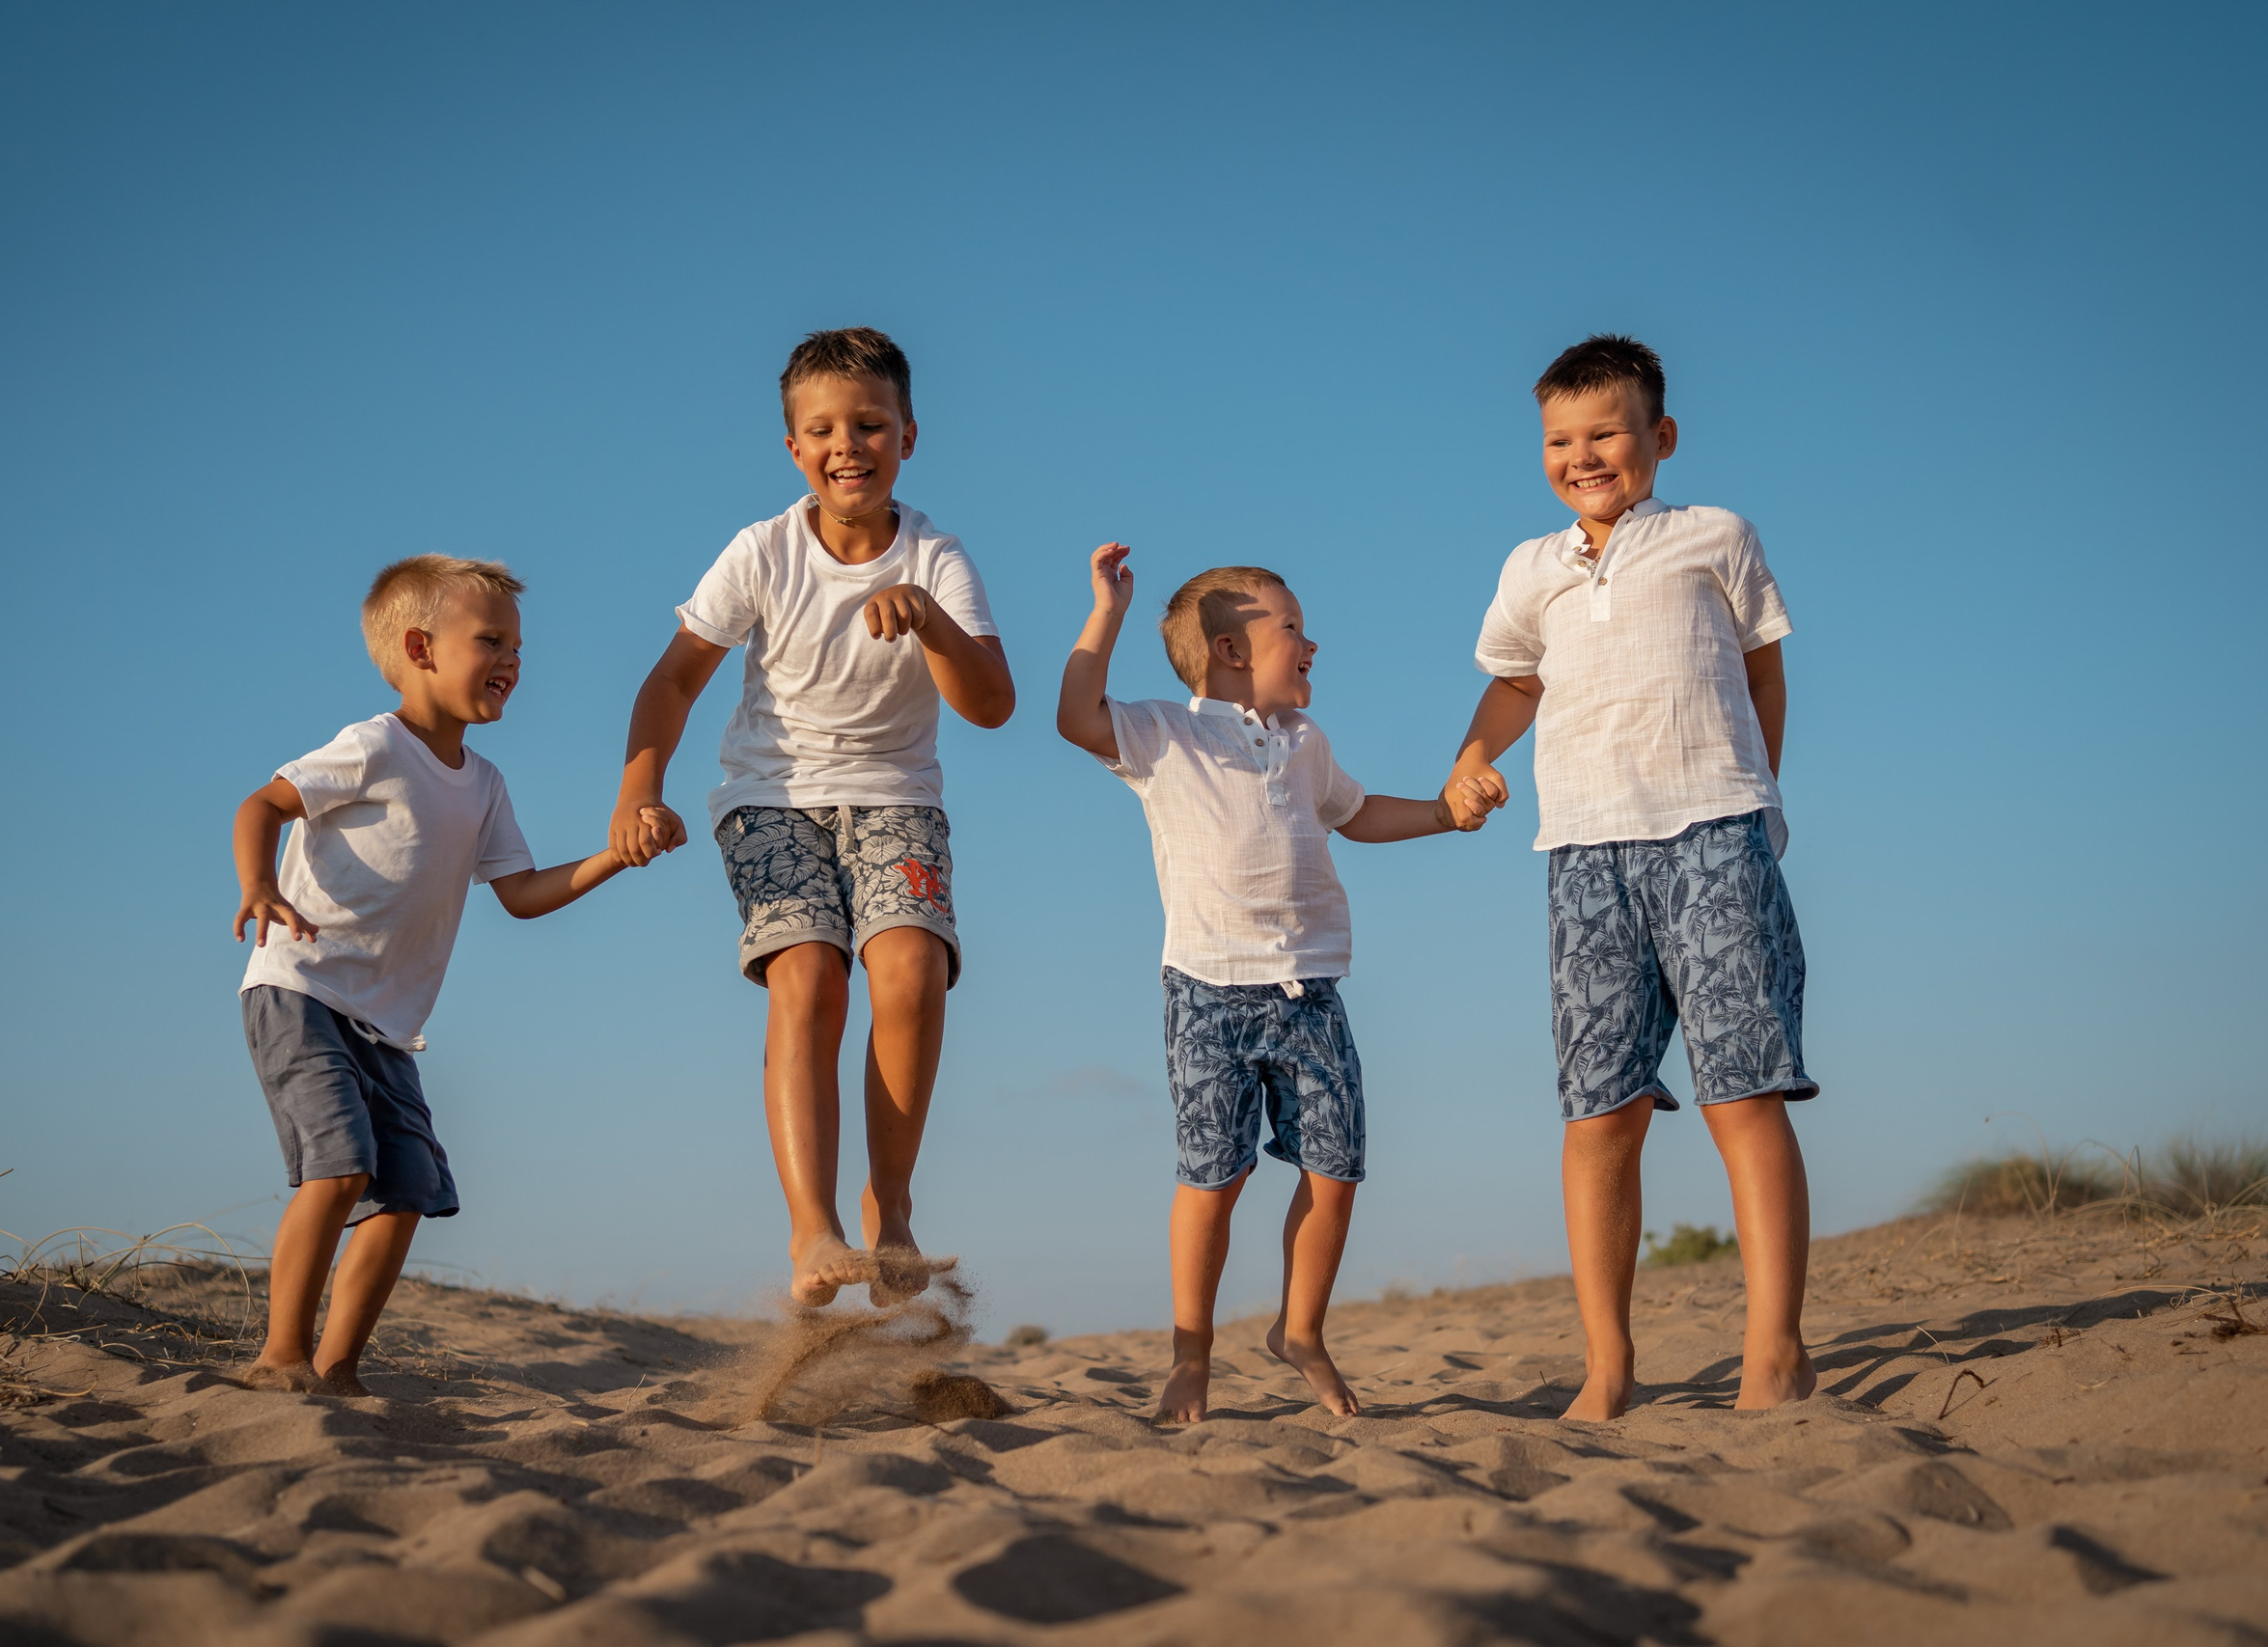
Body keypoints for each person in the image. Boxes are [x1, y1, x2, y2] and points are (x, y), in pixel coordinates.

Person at [1446, 334, 1820, 1419]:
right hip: (1581, 852)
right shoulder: (1530, 568)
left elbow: (1763, 673)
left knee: (1741, 1091)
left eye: (1605, 432)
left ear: (1661, 436)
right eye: (1559, 440)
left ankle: (1774, 1351)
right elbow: (1516, 684)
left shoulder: (1714, 536)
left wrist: (1753, 797)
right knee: (1599, 1109)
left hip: (1711, 832)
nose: (1582, 455)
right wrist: (1470, 759)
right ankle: (1608, 1364)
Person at [607, 328, 1014, 1307]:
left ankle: (891, 1205)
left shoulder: (936, 557)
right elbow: (673, 679)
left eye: (869, 424)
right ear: (793, 448)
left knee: (911, 971)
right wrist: (638, 786)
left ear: (907, 436)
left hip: (896, 795)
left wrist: (929, 619)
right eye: (823, 429)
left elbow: (992, 703)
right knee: (811, 977)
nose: (848, 446)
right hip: (771, 798)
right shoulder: (762, 551)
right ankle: (812, 1228)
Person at [1059, 544, 1493, 1421]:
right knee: (1212, 1177)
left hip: (1310, 992)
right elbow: (1076, 716)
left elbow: (1357, 814)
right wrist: (1107, 611)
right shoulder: (1165, 733)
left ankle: (1301, 1331)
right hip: (1208, 991)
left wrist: (1445, 814)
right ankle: (1191, 1353)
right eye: (1292, 627)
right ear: (1230, 650)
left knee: (1336, 1170)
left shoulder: (1304, 744)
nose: (1311, 643)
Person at [233, 555, 637, 1396]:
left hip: (388, 1025)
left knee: (408, 1188)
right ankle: (279, 1355)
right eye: (491, 641)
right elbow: (263, 803)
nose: (512, 661)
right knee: (340, 1167)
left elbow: (521, 895)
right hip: (302, 988)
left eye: (518, 648)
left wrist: (614, 855)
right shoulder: (375, 746)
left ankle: (337, 1372)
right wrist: (260, 883)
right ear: (420, 648)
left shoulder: (484, 785)